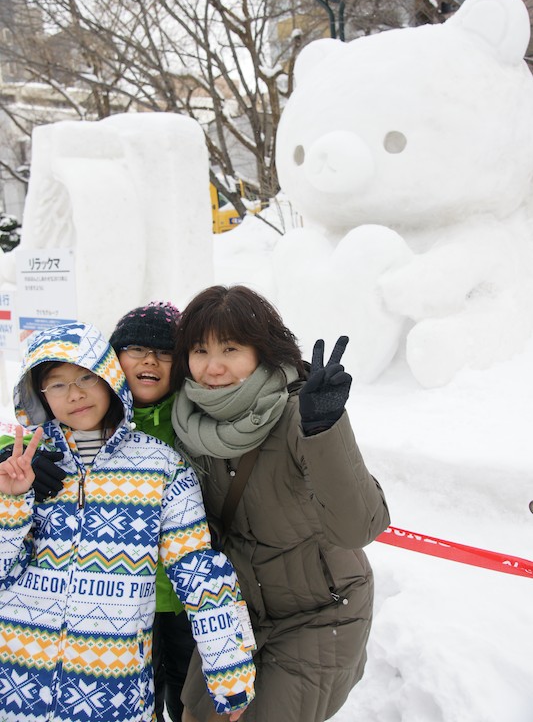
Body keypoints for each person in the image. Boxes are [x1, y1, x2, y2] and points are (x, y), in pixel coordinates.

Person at [0, 321, 255, 722]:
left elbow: (199, 570)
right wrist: (11, 503)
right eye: (57, 384)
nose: (75, 394)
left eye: (86, 377)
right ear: (38, 394)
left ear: (110, 378)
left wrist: (230, 673)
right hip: (16, 685)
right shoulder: (22, 464)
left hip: (115, 693)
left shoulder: (162, 467)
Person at [170, 285, 391, 722]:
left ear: (263, 350)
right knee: (197, 715)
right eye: (200, 350)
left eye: (230, 349)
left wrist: (325, 429)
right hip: (237, 613)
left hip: (320, 611)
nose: (213, 367)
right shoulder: (187, 422)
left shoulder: (298, 416)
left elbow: (359, 527)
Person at [109, 302, 195, 722]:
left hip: (186, 597)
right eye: (137, 349)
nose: (150, 360)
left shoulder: (196, 420)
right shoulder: (93, 414)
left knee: (189, 697)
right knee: (136, 699)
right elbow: (31, 435)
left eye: (165, 352)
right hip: (122, 596)